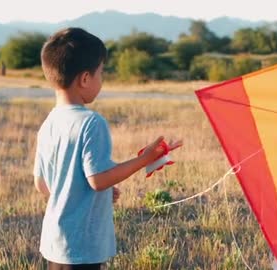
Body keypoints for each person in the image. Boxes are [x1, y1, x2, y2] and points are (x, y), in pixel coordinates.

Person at [33, 27, 182, 270]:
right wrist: (145, 159)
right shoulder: (91, 122)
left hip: (55, 242)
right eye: (101, 73)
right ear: (84, 78)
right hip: (83, 245)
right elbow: (99, 180)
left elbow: (42, 184)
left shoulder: (49, 123)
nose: (102, 80)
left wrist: (86, 194)